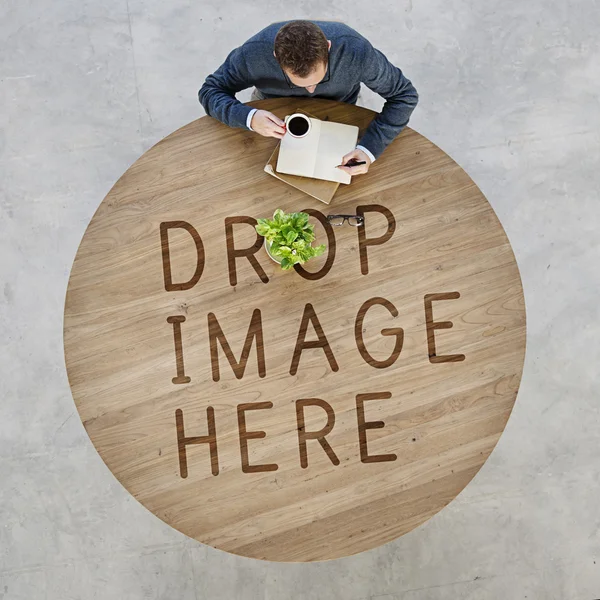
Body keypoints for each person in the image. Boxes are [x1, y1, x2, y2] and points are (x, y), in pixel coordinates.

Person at [198, 20, 419, 177]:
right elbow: (210, 90)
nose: (311, 91)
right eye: (300, 83)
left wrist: (369, 150)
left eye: (317, 80)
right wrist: (249, 117)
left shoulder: (356, 52)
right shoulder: (252, 54)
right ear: (276, 57)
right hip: (270, 115)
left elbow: (404, 96)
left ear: (329, 47)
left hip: (340, 109)